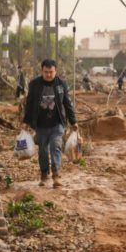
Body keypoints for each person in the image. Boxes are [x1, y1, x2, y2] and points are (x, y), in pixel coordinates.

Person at [22, 59, 78, 188]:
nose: (48, 75)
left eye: (51, 72)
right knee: (42, 150)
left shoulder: (61, 84)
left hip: (57, 124)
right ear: (41, 71)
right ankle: (44, 174)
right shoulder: (34, 84)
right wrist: (26, 121)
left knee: (55, 145)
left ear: (55, 71)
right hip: (40, 125)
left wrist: (73, 121)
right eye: (46, 72)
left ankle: (56, 175)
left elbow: (67, 104)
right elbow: (29, 104)